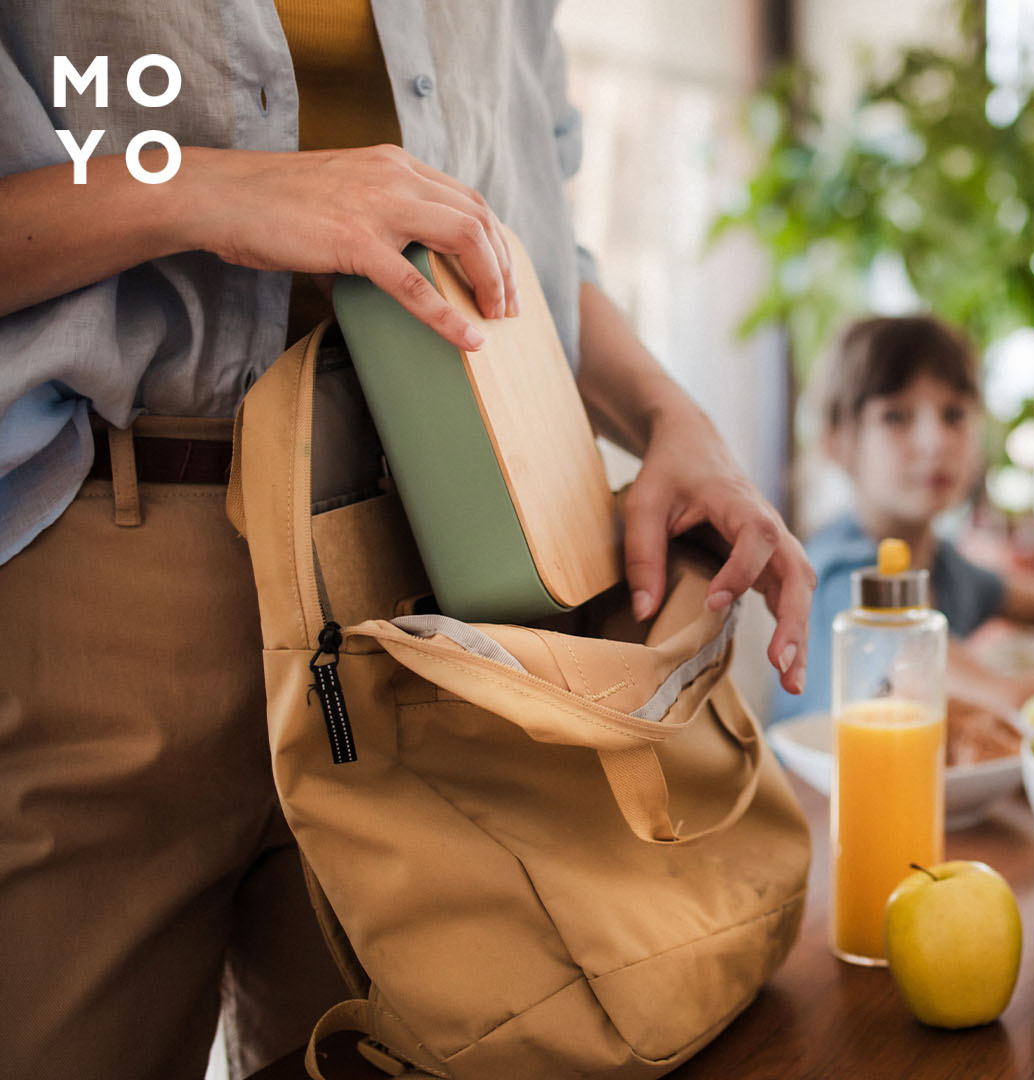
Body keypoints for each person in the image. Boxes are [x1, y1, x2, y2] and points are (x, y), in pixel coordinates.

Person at [0, 5, 812, 1076]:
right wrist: (209, 189)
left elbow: (530, 234)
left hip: (430, 595)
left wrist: (671, 416)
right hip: (116, 590)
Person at [774, 314, 1034, 724]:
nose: (934, 442)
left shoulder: (946, 566)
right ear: (835, 440)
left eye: (954, 415)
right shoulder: (842, 573)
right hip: (813, 788)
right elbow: (1001, 697)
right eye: (896, 416)